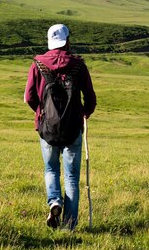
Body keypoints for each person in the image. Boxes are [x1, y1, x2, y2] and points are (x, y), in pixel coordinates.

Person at [24, 24, 96, 231]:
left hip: (47, 128)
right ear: (68, 41)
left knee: (51, 169)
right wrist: (85, 113)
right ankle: (69, 226)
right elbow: (90, 98)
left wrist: (40, 113)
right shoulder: (78, 65)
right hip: (73, 127)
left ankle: (54, 201)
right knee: (72, 176)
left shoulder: (37, 64)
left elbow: (29, 97)